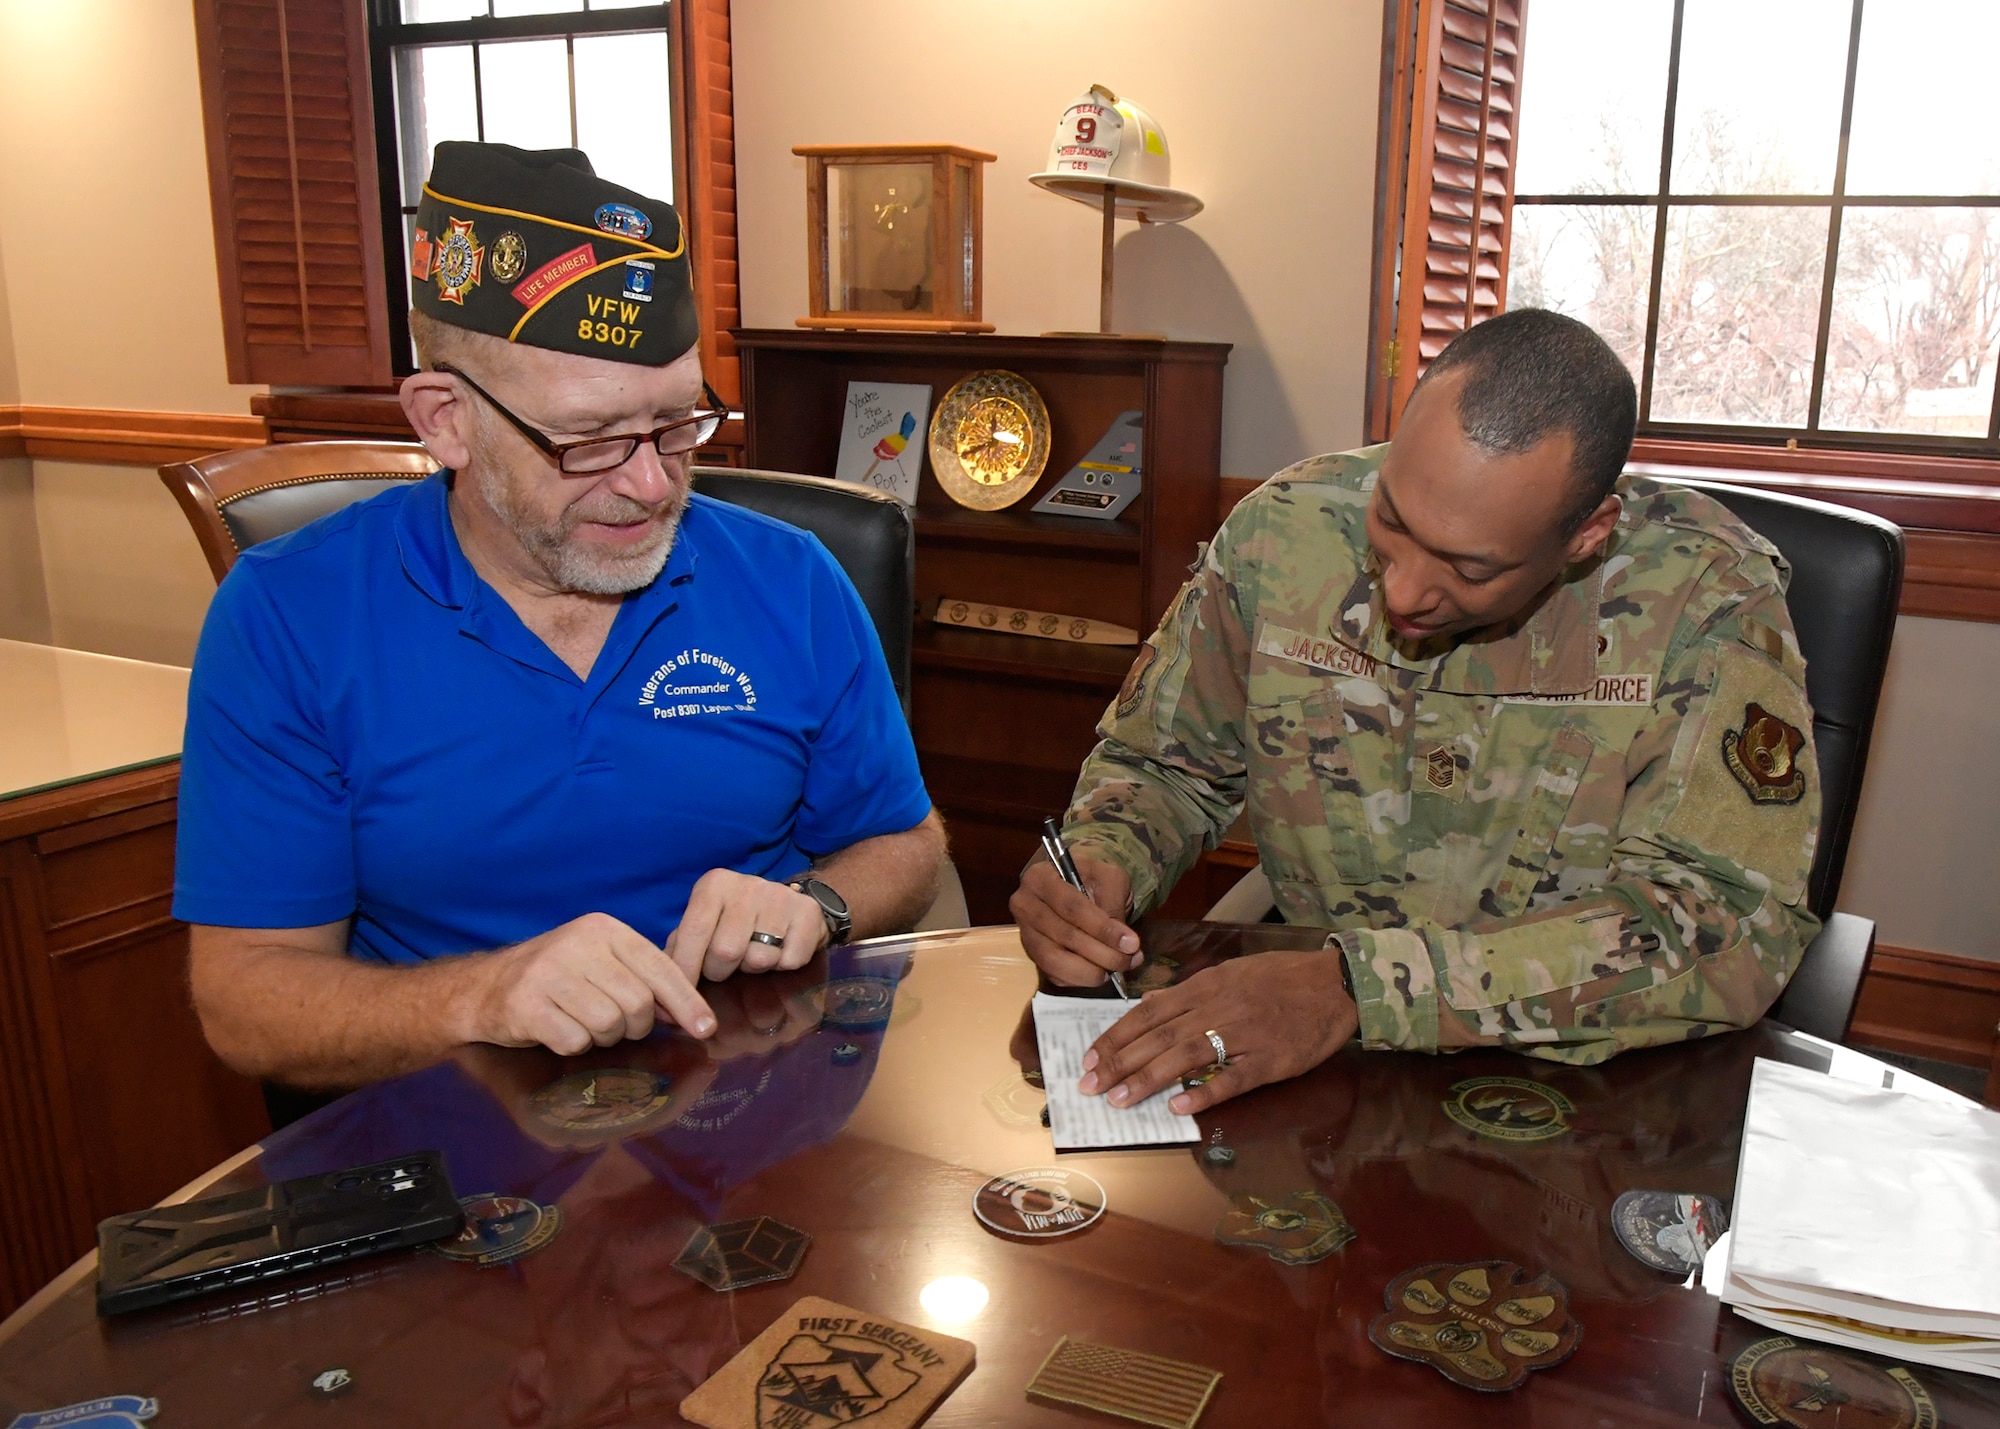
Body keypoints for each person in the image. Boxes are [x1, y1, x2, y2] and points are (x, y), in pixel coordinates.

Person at [176, 142, 945, 1089]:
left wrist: (818, 901)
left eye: (675, 425)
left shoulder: (790, 578)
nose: (650, 483)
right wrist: (483, 996)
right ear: (444, 419)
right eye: (587, 442)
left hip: (753, 1110)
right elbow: (244, 1002)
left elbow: (907, 842)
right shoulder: (289, 618)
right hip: (463, 1143)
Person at [1012, 309, 1820, 1113]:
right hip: (1312, 1079)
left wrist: (1361, 988)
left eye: (1469, 568)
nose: (1402, 590)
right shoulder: (1284, 532)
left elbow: (1726, 923)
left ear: (1587, 536)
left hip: (1578, 1089)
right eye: (1391, 519)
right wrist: (1099, 855)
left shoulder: (1708, 601)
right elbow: (1165, 766)